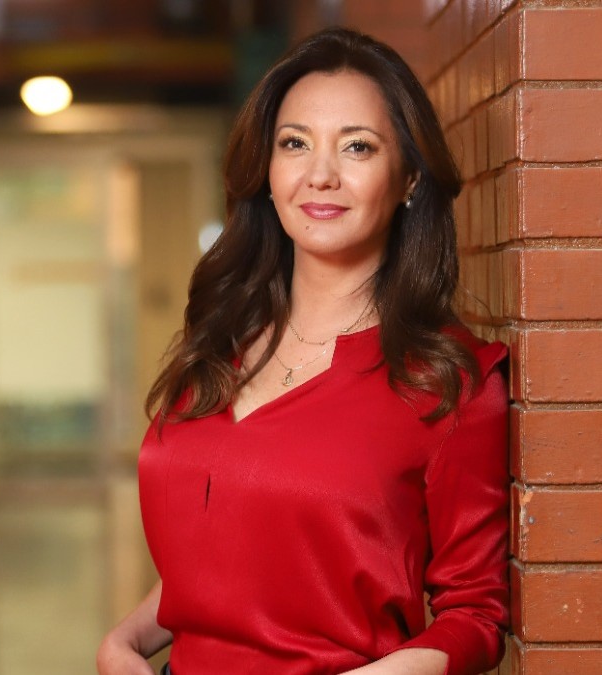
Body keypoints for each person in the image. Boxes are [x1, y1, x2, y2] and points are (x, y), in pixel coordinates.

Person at [96, 27, 509, 675]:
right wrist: (123, 641)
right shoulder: (222, 340)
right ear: (267, 170)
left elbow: (475, 615)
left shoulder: (450, 379)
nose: (320, 174)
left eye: (357, 146)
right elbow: (226, 563)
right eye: (295, 143)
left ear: (407, 177)